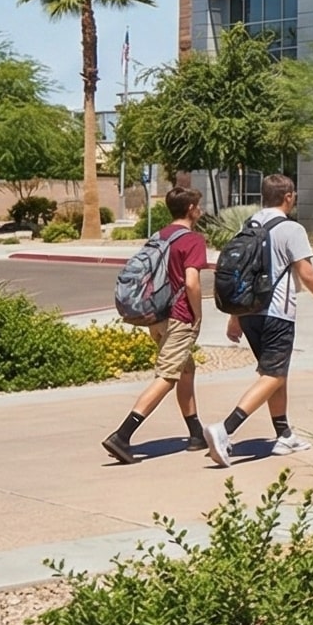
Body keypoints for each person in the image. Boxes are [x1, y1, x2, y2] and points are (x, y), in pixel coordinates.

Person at [202, 174, 313, 465]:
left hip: (249, 312)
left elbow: (243, 272)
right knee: (273, 375)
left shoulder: (249, 224)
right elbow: (307, 273)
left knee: (276, 374)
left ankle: (284, 434)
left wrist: (234, 317)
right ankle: (224, 430)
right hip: (277, 313)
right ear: (288, 196)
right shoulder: (291, 229)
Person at [99, 188, 209, 464]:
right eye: (199, 206)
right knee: (168, 376)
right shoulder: (193, 240)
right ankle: (122, 436)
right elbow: (192, 282)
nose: (200, 210)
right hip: (180, 316)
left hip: (156, 316)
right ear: (191, 208)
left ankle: (196, 433)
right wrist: (198, 315)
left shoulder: (160, 235)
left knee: (186, 369)